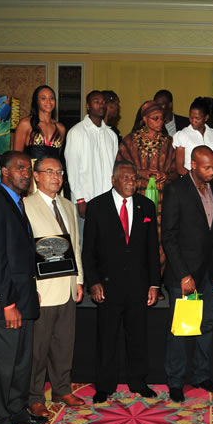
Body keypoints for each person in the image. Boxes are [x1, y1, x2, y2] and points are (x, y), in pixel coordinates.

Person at [0, 150, 44, 424]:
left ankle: (16, 411)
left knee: (20, 364)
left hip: (22, 298)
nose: (26, 173)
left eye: (28, 169)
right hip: (4, 304)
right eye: (19, 168)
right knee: (1, 367)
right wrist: (7, 303)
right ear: (4, 171)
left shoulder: (16, 204)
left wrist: (30, 291)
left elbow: (20, 255)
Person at [82, 160, 160, 402]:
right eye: (125, 178)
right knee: (107, 337)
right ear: (113, 180)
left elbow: (152, 249)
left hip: (138, 285)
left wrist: (154, 284)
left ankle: (138, 382)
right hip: (107, 286)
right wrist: (93, 282)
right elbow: (89, 250)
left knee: (138, 337)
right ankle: (104, 386)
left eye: (134, 178)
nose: (131, 182)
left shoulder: (146, 206)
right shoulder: (97, 206)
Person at [161, 147, 213, 403]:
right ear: (193, 165)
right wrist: (183, 274)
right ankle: (175, 382)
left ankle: (202, 375)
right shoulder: (176, 190)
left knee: (207, 326)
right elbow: (169, 236)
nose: (212, 171)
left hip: (209, 272)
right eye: (207, 167)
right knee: (180, 329)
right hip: (184, 275)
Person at [24, 158, 85, 417]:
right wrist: (29, 286)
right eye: (49, 172)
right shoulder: (25, 206)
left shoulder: (69, 206)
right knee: (38, 347)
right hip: (42, 289)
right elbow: (23, 251)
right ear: (36, 176)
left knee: (64, 343)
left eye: (60, 172)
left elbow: (76, 245)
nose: (56, 177)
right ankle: (34, 396)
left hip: (68, 286)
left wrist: (79, 279)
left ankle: (62, 388)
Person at [117, 100, 178, 261]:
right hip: (137, 196)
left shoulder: (169, 142)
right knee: (137, 237)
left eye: (161, 119)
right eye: (154, 118)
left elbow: (176, 171)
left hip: (162, 199)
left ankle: (155, 281)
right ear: (144, 118)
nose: (159, 122)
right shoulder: (130, 141)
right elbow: (119, 168)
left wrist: (167, 175)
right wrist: (141, 172)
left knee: (160, 241)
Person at [64, 90, 118, 239]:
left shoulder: (111, 135)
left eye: (104, 102)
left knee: (106, 242)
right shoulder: (76, 132)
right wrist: (80, 199)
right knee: (85, 243)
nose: (101, 105)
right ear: (88, 105)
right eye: (96, 101)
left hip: (107, 199)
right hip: (86, 199)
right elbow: (72, 168)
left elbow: (114, 169)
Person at [13, 85, 66, 161]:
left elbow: (58, 156)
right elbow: (16, 157)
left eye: (52, 98)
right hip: (32, 172)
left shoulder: (60, 128)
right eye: (43, 98)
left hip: (54, 172)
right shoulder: (26, 124)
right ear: (37, 101)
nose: (48, 101)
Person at [173, 97, 213, 178]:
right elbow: (180, 168)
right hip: (191, 184)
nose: (193, 121)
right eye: (191, 117)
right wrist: (196, 181)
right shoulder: (182, 135)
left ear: (206, 117)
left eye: (197, 118)